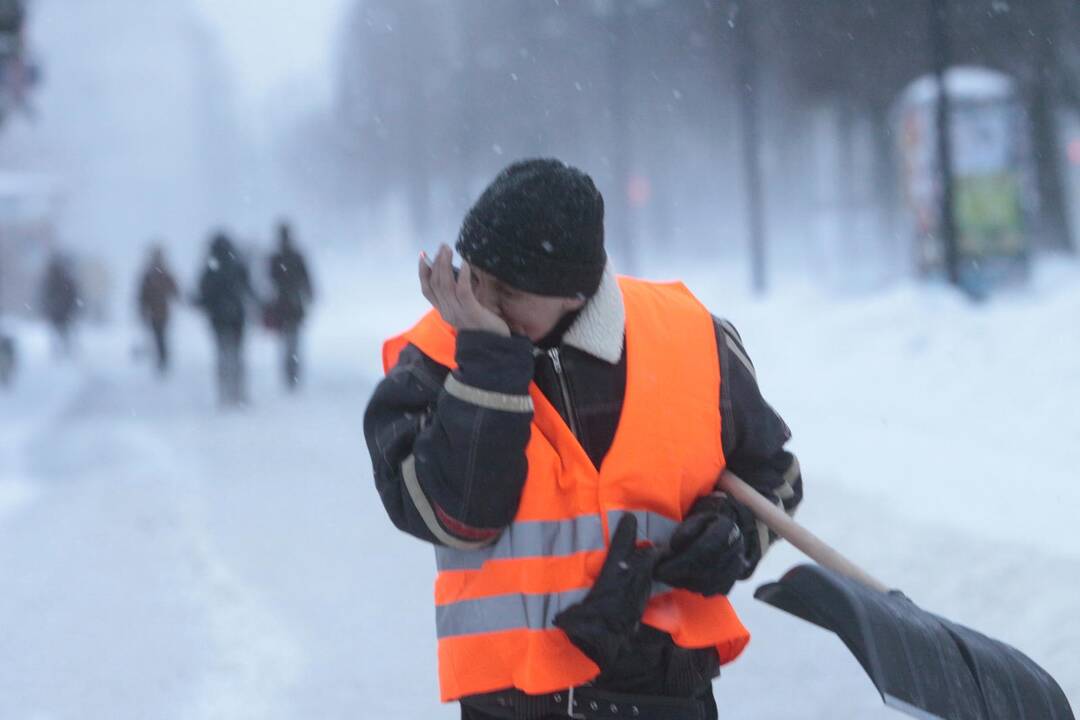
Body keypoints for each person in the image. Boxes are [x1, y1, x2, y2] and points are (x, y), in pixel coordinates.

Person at [364, 159, 803, 720]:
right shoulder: (432, 359)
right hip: (511, 704)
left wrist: (731, 534)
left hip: (663, 692)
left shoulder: (694, 340)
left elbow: (776, 476)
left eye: (507, 291)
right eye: (474, 277)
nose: (482, 303)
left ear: (575, 293)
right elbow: (458, 515)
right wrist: (488, 363)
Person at [195, 232, 256, 406]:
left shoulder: (211, 266)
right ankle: (238, 392)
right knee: (237, 356)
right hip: (237, 317)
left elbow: (203, 293)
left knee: (223, 355)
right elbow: (248, 289)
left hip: (219, 319)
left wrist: (201, 303)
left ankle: (225, 393)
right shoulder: (237, 264)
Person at [267, 221, 313, 390]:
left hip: (283, 306)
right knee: (293, 343)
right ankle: (292, 374)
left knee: (287, 343)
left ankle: (289, 373)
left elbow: (269, 281)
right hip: (293, 305)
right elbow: (307, 280)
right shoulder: (295, 256)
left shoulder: (276, 257)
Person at [137, 244, 179, 375]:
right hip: (159, 312)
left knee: (159, 336)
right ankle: (163, 359)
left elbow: (142, 295)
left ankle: (162, 359)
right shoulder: (159, 273)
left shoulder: (152, 274)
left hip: (158, 312)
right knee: (160, 336)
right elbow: (142, 295)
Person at [39, 252, 80, 356]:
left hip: (58, 310)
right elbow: (73, 295)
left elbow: (46, 294)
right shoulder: (66, 279)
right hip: (63, 311)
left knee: (59, 331)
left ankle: (60, 350)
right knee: (63, 331)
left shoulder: (53, 278)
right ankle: (63, 350)